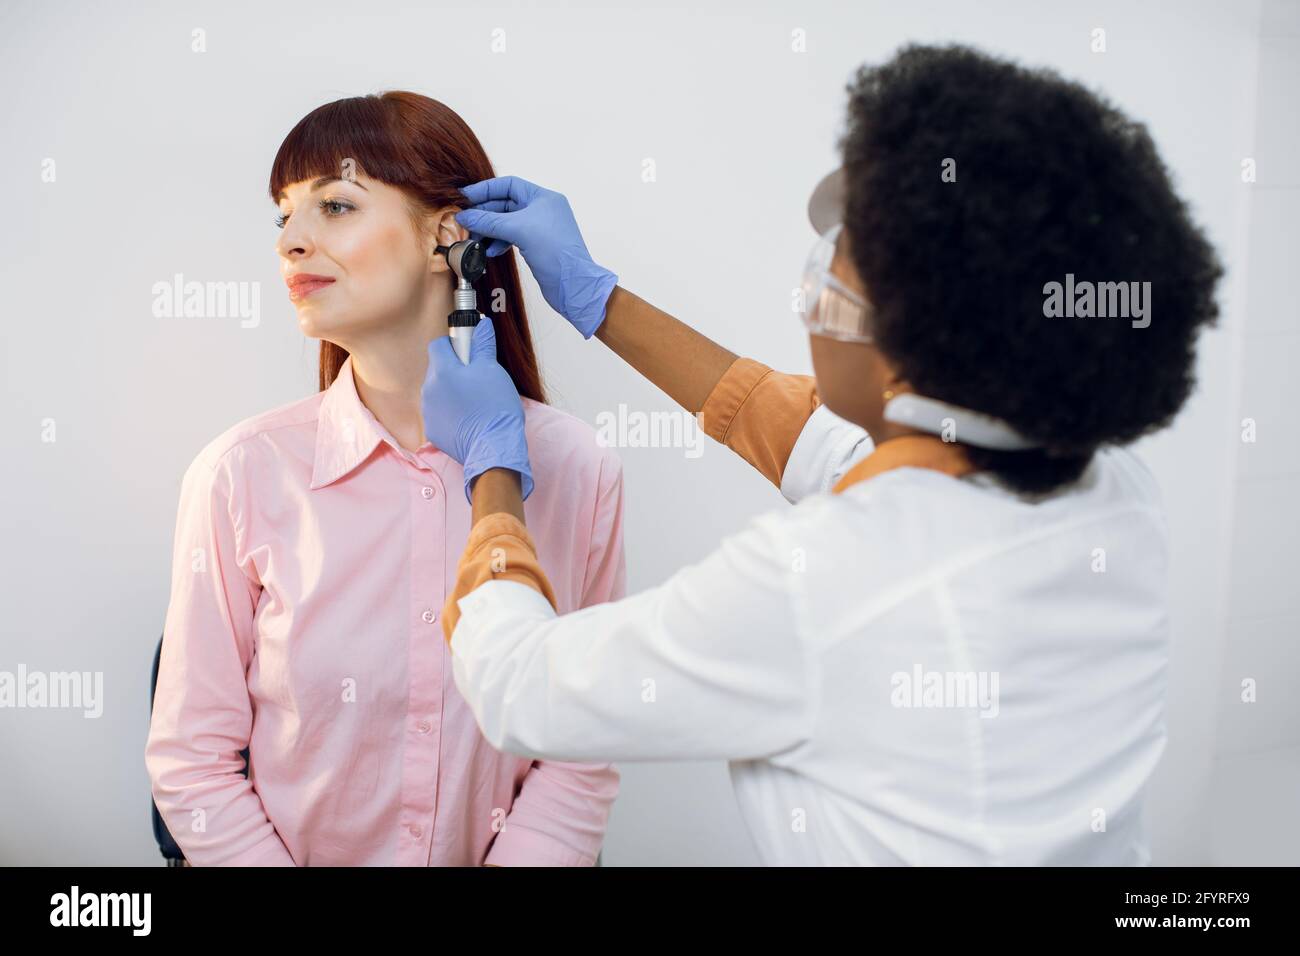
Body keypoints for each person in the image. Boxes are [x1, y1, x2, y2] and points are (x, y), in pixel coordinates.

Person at [420, 45, 1223, 865]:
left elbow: (522, 685)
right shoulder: (1113, 490)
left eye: (838, 266)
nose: (813, 291)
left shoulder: (826, 585)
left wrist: (491, 466)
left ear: (909, 344)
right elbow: (795, 426)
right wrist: (599, 298)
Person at [146, 92, 624, 866]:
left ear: (447, 234)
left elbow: (579, 750)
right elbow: (192, 765)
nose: (291, 242)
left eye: (335, 206)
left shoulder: (578, 469)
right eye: (284, 217)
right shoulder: (238, 477)